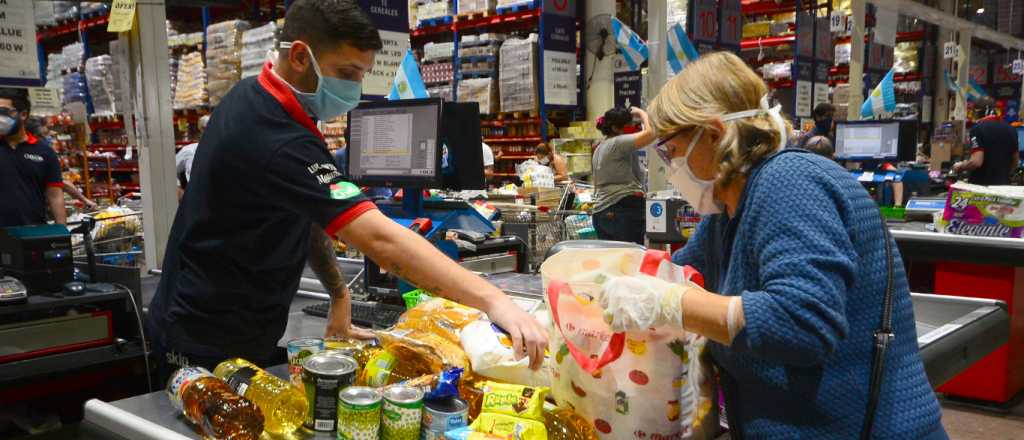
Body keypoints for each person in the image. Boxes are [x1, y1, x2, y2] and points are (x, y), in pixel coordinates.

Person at [146, 0, 546, 381]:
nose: (356, 88)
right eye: (349, 72)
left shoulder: (256, 96)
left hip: (238, 325)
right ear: (301, 56)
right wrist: (495, 301)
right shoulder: (276, 134)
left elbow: (308, 212)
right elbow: (378, 239)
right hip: (201, 338)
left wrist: (339, 293)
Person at [599, 52, 945, 439]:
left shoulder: (789, 182)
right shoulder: (727, 210)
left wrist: (669, 303)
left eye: (671, 150)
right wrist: (602, 284)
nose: (670, 164)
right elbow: (677, 271)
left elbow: (803, 321)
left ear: (712, 133)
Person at [0, 88, 67, 227]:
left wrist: (62, 233)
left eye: (3, 112)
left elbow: (55, 195)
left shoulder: (45, 153)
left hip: (32, 234)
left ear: (23, 114)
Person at [591, 107, 655, 245]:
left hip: (601, 211)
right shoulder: (618, 143)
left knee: (614, 261)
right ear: (615, 128)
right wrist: (642, 113)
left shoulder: (600, 146)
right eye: (630, 125)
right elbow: (651, 133)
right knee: (631, 259)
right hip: (621, 209)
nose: (633, 129)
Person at [25, 117, 100, 210]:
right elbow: (62, 183)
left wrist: (71, 201)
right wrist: (84, 200)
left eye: (46, 135)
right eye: (41, 136)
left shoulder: (44, 154)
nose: (45, 139)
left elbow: (57, 183)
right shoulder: (31, 156)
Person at [953, 96, 1020, 185]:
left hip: (981, 187)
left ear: (978, 111)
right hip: (1003, 186)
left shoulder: (977, 129)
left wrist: (960, 166)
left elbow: (976, 162)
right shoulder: (1011, 129)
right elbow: (1015, 162)